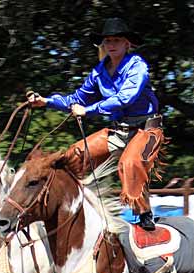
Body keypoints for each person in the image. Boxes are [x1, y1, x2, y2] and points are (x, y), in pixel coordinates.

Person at [28, 17, 165, 231]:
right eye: (107, 41)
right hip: (118, 129)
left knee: (129, 164)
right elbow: (77, 99)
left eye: (116, 40)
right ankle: (69, 206)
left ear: (127, 43)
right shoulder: (99, 73)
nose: (111, 45)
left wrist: (89, 110)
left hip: (146, 129)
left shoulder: (137, 66)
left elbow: (124, 98)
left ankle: (144, 217)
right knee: (75, 155)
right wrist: (45, 101)